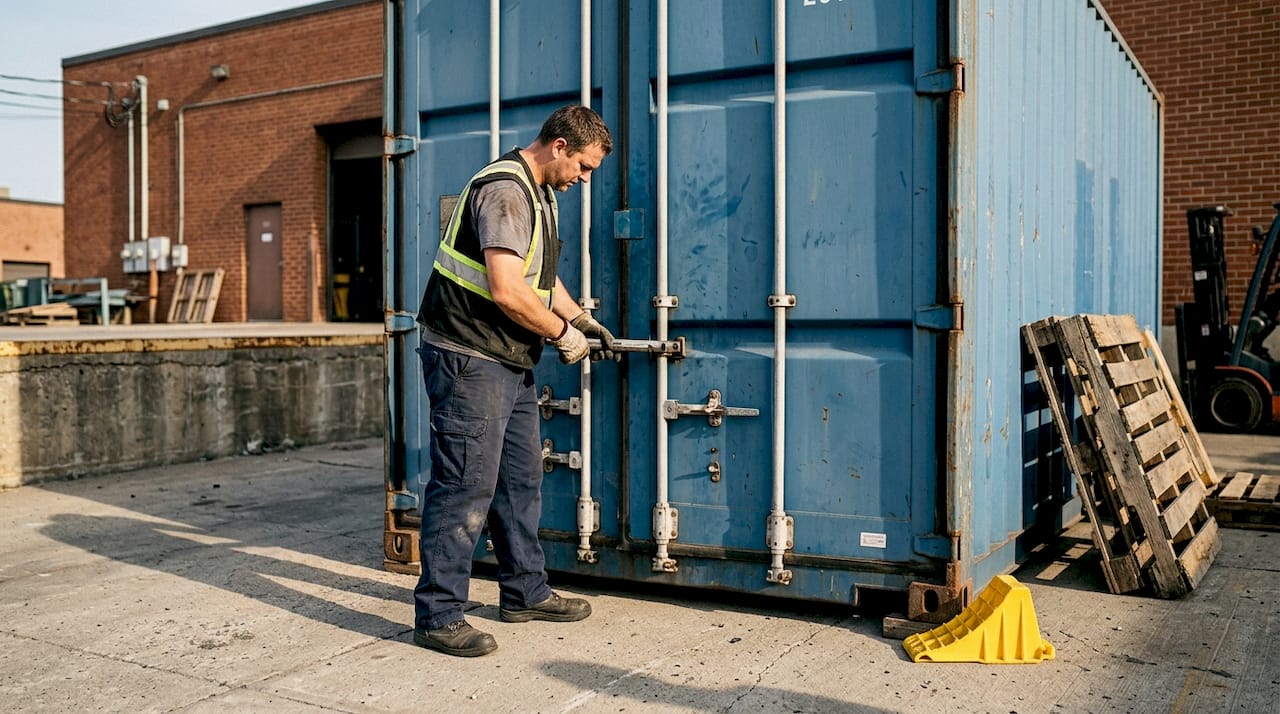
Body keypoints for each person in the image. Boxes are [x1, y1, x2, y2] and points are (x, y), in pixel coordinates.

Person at [411, 105, 617, 657]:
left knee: (520, 478)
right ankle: (438, 615)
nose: (583, 179)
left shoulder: (539, 193)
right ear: (558, 147)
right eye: (584, 167)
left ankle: (524, 592)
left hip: (507, 356)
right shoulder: (505, 191)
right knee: (463, 485)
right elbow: (507, 290)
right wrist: (561, 335)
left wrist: (580, 319)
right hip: (467, 354)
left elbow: (539, 280)